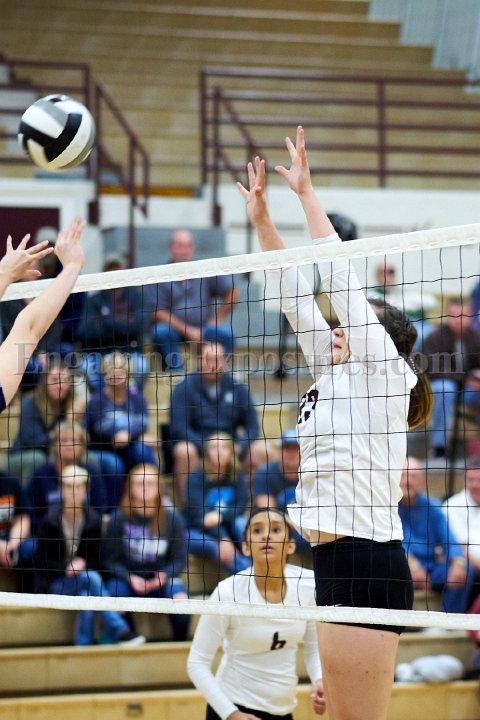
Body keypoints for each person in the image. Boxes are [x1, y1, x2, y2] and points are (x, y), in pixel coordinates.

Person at [237, 127, 432, 720]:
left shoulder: (385, 374)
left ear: (379, 340)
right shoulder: (334, 369)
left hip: (366, 560)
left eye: (352, 323)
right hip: (334, 560)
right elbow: (295, 297)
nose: (338, 327)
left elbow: (341, 281)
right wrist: (262, 219)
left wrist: (306, 194)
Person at [187, 507, 325, 720]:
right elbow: (196, 663)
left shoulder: (307, 585)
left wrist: (318, 679)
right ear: (245, 547)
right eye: (257, 530)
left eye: (276, 529)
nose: (266, 535)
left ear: (291, 546)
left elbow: (313, 645)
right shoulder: (228, 592)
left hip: (283, 710)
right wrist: (232, 714)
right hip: (233, 708)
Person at [35, 464, 145, 646]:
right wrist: (65, 568)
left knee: (87, 595)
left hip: (85, 581)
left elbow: (99, 561)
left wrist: (83, 565)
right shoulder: (50, 521)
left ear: (86, 489)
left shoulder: (93, 521)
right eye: (68, 486)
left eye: (78, 486)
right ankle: (120, 629)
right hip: (56, 583)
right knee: (91, 578)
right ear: (60, 489)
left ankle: (82, 647)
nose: (73, 491)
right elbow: (41, 563)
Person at [170, 341, 265, 506]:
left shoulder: (238, 388)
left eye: (217, 359)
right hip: (199, 445)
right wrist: (209, 447)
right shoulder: (183, 388)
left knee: (262, 450)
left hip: (232, 446)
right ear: (199, 360)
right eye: (208, 359)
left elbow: (253, 427)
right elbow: (179, 428)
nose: (212, 365)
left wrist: (238, 446)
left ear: (225, 361)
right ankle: (189, 509)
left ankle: (253, 509)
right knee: (183, 451)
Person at [102, 463, 190, 641]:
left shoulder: (172, 518)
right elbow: (110, 560)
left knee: (182, 603)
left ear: (159, 488)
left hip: (162, 580)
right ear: (130, 488)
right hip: (128, 580)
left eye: (149, 483)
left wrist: (164, 576)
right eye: (139, 483)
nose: (145, 487)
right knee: (114, 596)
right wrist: (129, 578)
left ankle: (178, 645)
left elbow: (179, 560)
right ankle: (132, 640)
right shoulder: (118, 518)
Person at [150, 229, 238, 370]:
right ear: (171, 248)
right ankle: (177, 374)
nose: (185, 251)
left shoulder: (204, 270)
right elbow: (158, 312)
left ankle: (213, 372)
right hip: (174, 329)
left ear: (193, 248)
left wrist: (217, 318)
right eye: (180, 246)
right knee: (160, 332)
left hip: (204, 327)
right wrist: (188, 331)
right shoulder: (161, 275)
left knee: (227, 335)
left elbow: (233, 292)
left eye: (188, 246)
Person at [85, 351, 157, 508]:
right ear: (104, 375)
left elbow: (143, 422)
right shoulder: (96, 400)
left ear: (127, 374)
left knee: (143, 451)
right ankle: (113, 509)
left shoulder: (136, 397)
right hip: (102, 448)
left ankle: (157, 499)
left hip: (129, 444)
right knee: (114, 465)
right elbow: (98, 428)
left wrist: (128, 435)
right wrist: (119, 435)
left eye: (120, 372)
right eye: (111, 371)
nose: (115, 375)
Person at [399, 456, 470, 613]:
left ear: (421, 481)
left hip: (431, 570)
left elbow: (449, 540)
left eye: (413, 476)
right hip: (400, 567)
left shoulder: (433, 507)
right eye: (403, 476)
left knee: (466, 571)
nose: (407, 481)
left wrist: (458, 562)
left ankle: (449, 619)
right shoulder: (387, 508)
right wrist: (411, 564)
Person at [7, 350, 84, 487]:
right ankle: (30, 500)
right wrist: (66, 424)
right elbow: (32, 441)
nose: (60, 385)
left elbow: (82, 439)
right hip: (22, 455)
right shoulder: (30, 403)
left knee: (89, 458)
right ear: (45, 382)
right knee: (37, 458)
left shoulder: (73, 403)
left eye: (65, 381)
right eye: (55, 380)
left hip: (56, 454)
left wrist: (75, 421)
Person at [79, 252, 149, 391]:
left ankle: (132, 397)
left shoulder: (136, 297)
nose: (114, 273)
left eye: (117, 268)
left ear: (124, 271)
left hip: (130, 351)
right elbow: (87, 331)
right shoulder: (94, 300)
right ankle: (102, 397)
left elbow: (139, 326)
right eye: (110, 269)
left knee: (142, 366)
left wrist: (105, 321)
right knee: (86, 366)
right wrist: (123, 323)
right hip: (100, 352)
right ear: (104, 272)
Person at [184, 433, 250, 574]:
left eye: (224, 447)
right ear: (207, 452)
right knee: (217, 548)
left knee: (242, 523)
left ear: (231, 451)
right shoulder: (196, 478)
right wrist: (223, 538)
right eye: (214, 447)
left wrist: (221, 517)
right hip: (196, 530)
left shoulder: (237, 475)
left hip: (226, 525)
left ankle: (258, 566)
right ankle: (251, 574)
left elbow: (241, 507)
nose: (219, 452)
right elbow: (202, 519)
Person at [422, 297, 480, 458]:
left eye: (463, 316)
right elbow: (432, 369)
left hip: (469, 391)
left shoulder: (475, 337)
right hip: (442, 390)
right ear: (447, 316)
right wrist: (467, 377)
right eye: (454, 316)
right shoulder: (434, 338)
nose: (458, 320)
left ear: (471, 317)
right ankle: (439, 447)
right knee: (444, 388)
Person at [27, 421, 108, 534]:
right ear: (55, 445)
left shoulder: (92, 472)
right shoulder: (41, 473)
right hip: (48, 534)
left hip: (86, 534)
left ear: (82, 445)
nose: (69, 445)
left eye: (74, 441)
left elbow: (100, 508)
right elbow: (32, 512)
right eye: (64, 441)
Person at [252, 429, 309, 556]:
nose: (291, 454)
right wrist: (293, 522)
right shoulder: (265, 472)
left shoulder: (311, 473)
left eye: (295, 449)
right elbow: (268, 511)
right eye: (287, 449)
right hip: (275, 526)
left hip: (305, 527)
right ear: (280, 451)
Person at [0, 470, 31, 589]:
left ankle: (28, 595)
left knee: (31, 548)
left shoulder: (10, 483)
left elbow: (23, 518)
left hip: (9, 539)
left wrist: (13, 544)